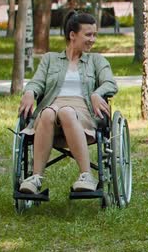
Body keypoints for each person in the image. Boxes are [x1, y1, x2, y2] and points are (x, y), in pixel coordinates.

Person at [17, 11, 118, 194]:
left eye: (94, 34)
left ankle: (86, 175)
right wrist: (30, 91)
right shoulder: (50, 59)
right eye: (88, 34)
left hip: (82, 111)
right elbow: (37, 82)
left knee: (66, 112)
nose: (92, 39)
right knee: (47, 113)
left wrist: (97, 93)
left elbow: (110, 83)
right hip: (51, 107)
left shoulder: (96, 60)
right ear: (73, 35)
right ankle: (35, 178)